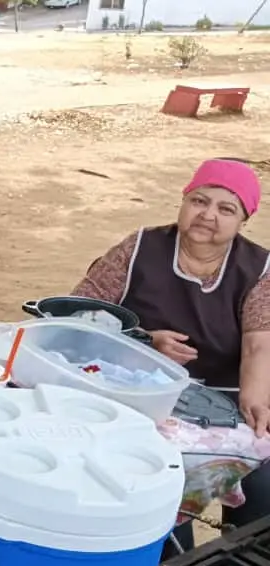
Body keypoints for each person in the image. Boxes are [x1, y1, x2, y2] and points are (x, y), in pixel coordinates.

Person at [71, 158, 270, 537]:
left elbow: (261, 345)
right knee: (153, 479)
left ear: (243, 220)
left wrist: (257, 403)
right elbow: (79, 314)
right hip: (135, 393)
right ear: (183, 201)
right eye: (199, 201)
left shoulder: (259, 269)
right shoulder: (139, 247)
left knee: (263, 487)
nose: (208, 215)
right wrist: (143, 342)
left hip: (221, 402)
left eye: (226, 208)